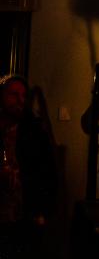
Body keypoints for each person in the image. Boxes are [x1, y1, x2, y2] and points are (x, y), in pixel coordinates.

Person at [0, 74, 57, 226]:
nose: (21, 100)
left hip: (24, 214)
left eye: (23, 95)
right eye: (14, 95)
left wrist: (42, 211)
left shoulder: (34, 130)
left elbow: (47, 171)